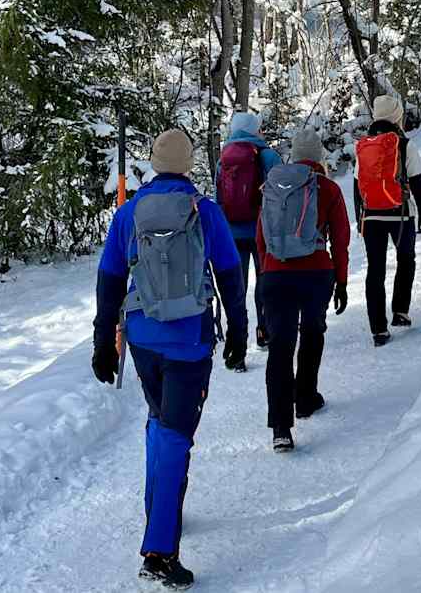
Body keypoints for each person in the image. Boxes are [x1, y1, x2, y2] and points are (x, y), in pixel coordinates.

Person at [92, 128, 247, 590]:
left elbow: (108, 280)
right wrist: (238, 329)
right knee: (178, 433)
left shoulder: (129, 212)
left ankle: (156, 504)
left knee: (159, 419)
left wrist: (103, 341)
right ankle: (160, 551)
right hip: (189, 338)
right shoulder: (206, 212)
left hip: (141, 336)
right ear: (188, 163)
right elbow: (229, 275)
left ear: (155, 163)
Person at [254, 129, 350, 452]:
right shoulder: (329, 189)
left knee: (280, 345)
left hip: (276, 275)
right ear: (319, 155)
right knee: (312, 333)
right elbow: (340, 240)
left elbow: (261, 238)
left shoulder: (272, 187)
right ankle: (305, 398)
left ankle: (281, 428)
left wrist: (266, 274)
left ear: (294, 155)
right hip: (316, 274)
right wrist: (342, 281)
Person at [353, 94, 421, 347]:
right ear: (397, 116)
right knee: (405, 259)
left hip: (371, 215)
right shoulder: (405, 144)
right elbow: (417, 181)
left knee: (375, 269)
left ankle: (378, 329)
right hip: (400, 213)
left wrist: (360, 216)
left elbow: (357, 185)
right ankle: (400, 311)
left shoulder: (364, 145)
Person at [215, 111, 282, 364]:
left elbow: (218, 199)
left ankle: (238, 346)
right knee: (265, 282)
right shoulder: (268, 156)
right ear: (256, 130)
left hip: (232, 233)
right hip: (262, 231)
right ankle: (264, 331)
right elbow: (281, 197)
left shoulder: (224, 159)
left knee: (237, 288)